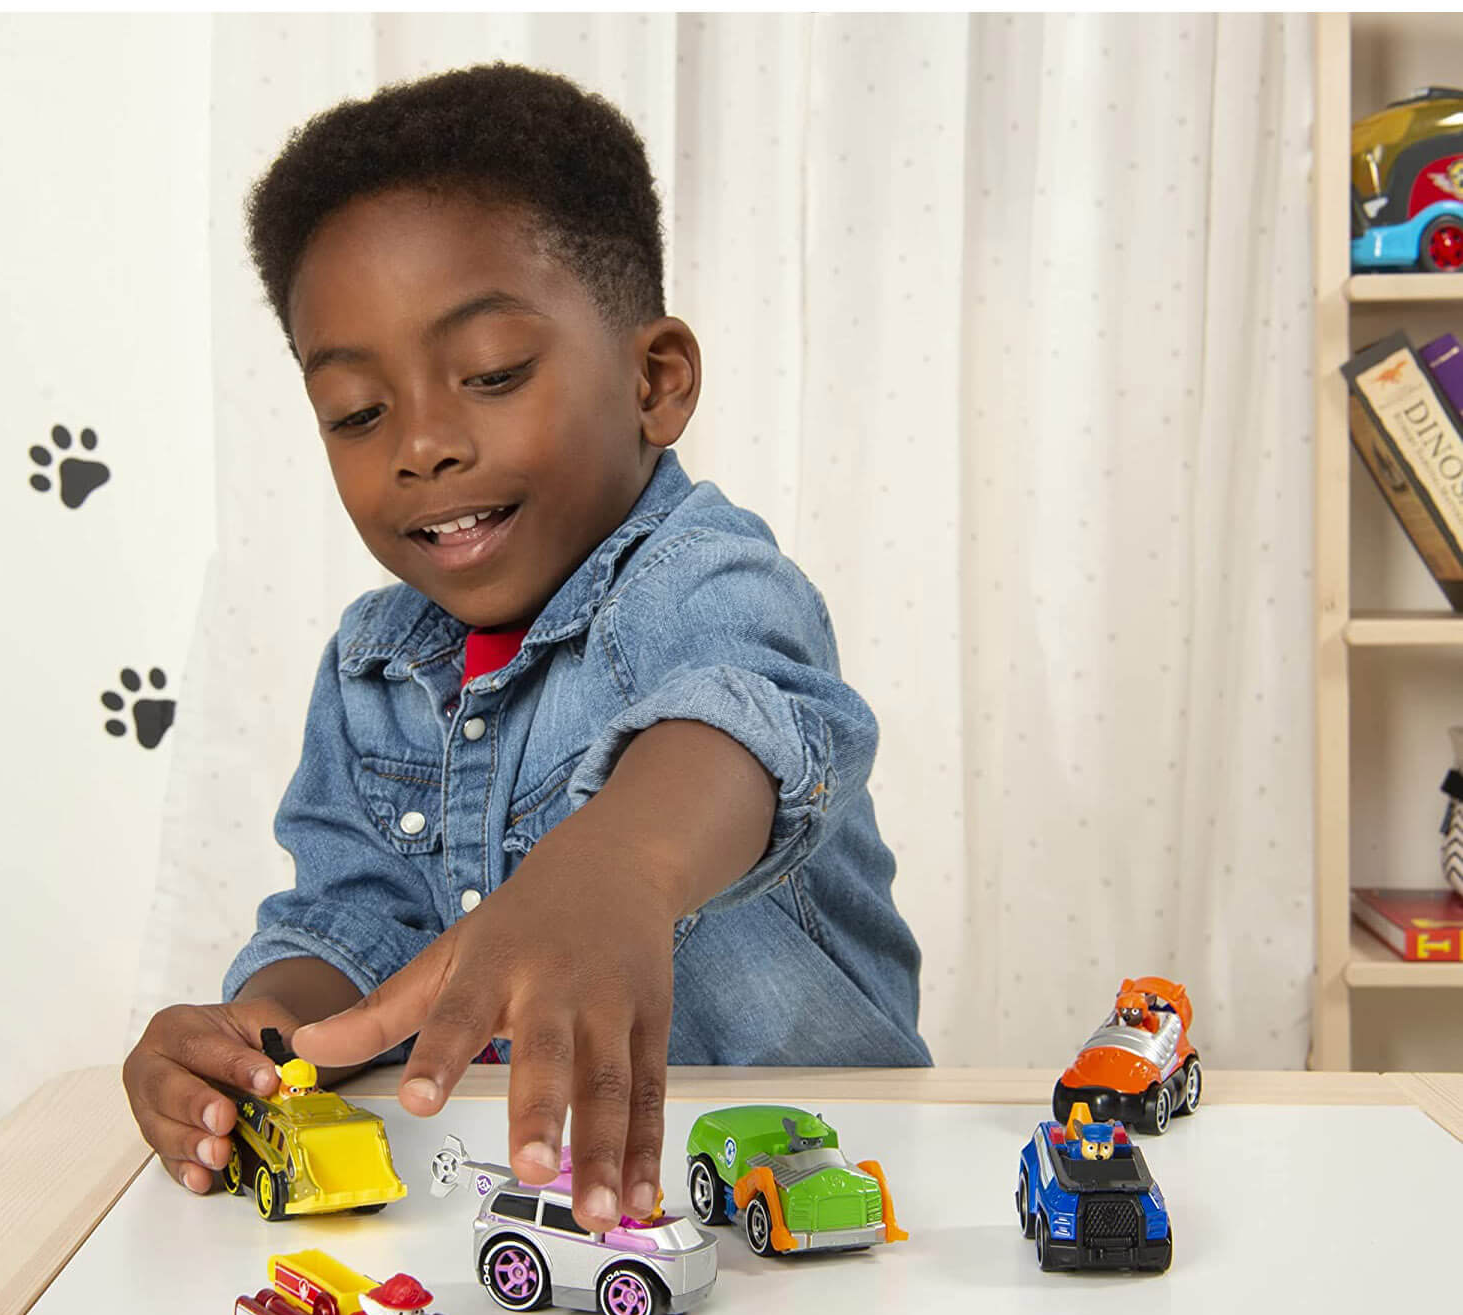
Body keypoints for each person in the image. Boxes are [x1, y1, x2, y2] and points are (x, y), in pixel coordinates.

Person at [122, 62, 930, 1236]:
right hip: (535, 1218)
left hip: (806, 1200)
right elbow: (353, 932)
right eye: (357, 413)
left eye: (493, 374)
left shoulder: (701, 576)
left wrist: (621, 865)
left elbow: (743, 720)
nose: (423, 445)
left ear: (655, 381)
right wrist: (258, 1043)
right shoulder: (371, 672)